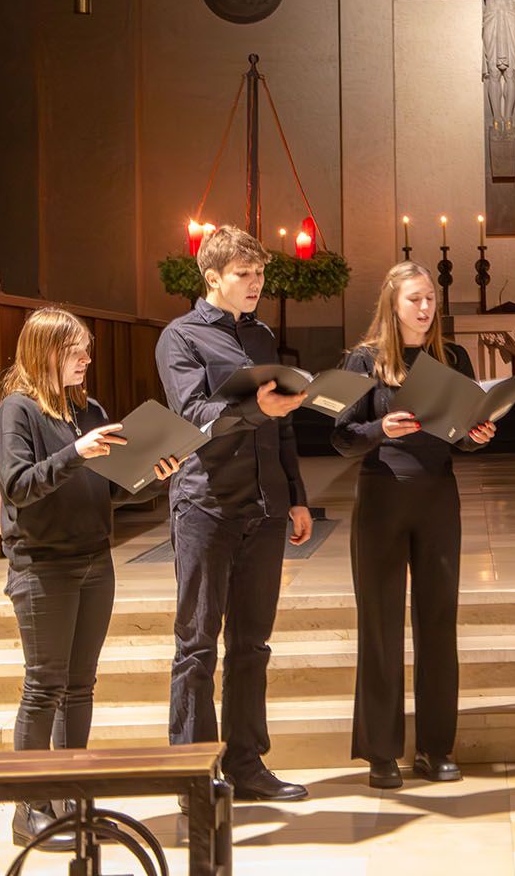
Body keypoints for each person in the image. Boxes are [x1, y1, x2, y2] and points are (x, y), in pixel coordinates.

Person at [0, 306, 179, 848]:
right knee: (44, 685)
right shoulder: (17, 413)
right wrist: (75, 452)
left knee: (79, 686)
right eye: (77, 351)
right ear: (47, 352)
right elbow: (19, 487)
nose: (88, 359)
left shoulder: (87, 408)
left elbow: (111, 488)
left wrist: (152, 475)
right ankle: (30, 806)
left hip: (95, 559)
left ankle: (70, 794)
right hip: (43, 565)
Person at [156, 225, 313, 803]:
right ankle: (193, 775)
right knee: (196, 644)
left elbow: (285, 423)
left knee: (252, 645)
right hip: (206, 504)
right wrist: (255, 406)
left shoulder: (264, 336)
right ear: (213, 277)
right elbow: (193, 414)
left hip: (265, 503)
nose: (256, 284)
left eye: (261, 274)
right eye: (244, 275)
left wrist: (296, 494)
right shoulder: (181, 338)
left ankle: (247, 765)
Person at [333, 262, 496, 789]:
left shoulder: (454, 357)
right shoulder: (363, 360)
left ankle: (435, 747)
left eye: (430, 299)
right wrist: (380, 427)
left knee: (438, 623)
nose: (425, 309)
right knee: (380, 626)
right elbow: (340, 436)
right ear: (391, 304)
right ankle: (382, 752)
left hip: (436, 496)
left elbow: (461, 434)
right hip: (382, 495)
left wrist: (477, 434)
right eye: (414, 300)